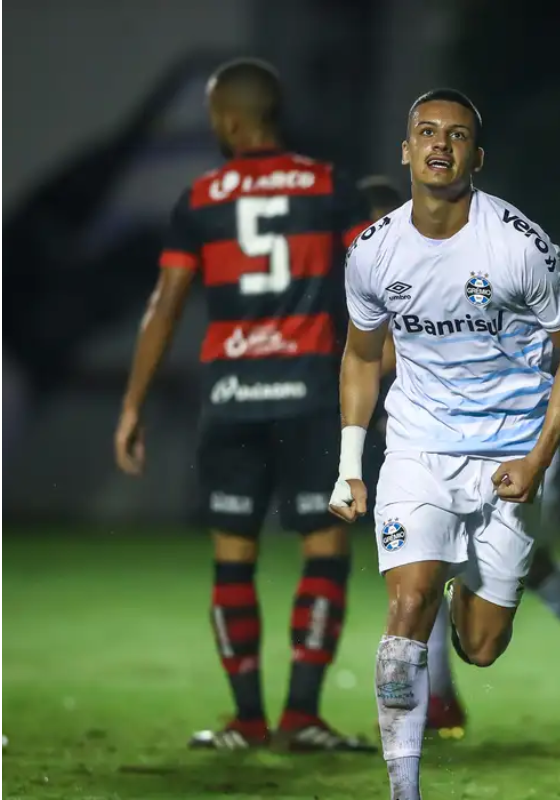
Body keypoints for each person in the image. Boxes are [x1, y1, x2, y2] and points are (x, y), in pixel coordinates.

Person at [328, 90, 560, 799]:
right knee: (409, 602)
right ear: (406, 150)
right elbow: (360, 358)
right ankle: (403, 789)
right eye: (426, 132)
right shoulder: (372, 251)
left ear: (477, 157)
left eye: (456, 135)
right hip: (417, 448)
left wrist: (538, 459)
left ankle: (453, 571)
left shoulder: (518, 245)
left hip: (511, 455)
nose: (440, 144)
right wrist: (352, 464)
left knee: (479, 648)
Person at [114, 57, 374, 751]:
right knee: (324, 550)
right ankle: (303, 716)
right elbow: (372, 290)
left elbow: (164, 306)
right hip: (312, 397)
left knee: (233, 558)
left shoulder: (200, 199)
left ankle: (245, 719)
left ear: (228, 119)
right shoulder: (327, 186)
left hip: (230, 400)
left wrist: (133, 402)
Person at [357, 174, 560, 734]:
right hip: (439, 451)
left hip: (519, 444)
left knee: (538, 570)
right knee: (423, 575)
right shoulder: (385, 260)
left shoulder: (502, 249)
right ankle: (442, 698)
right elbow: (387, 351)